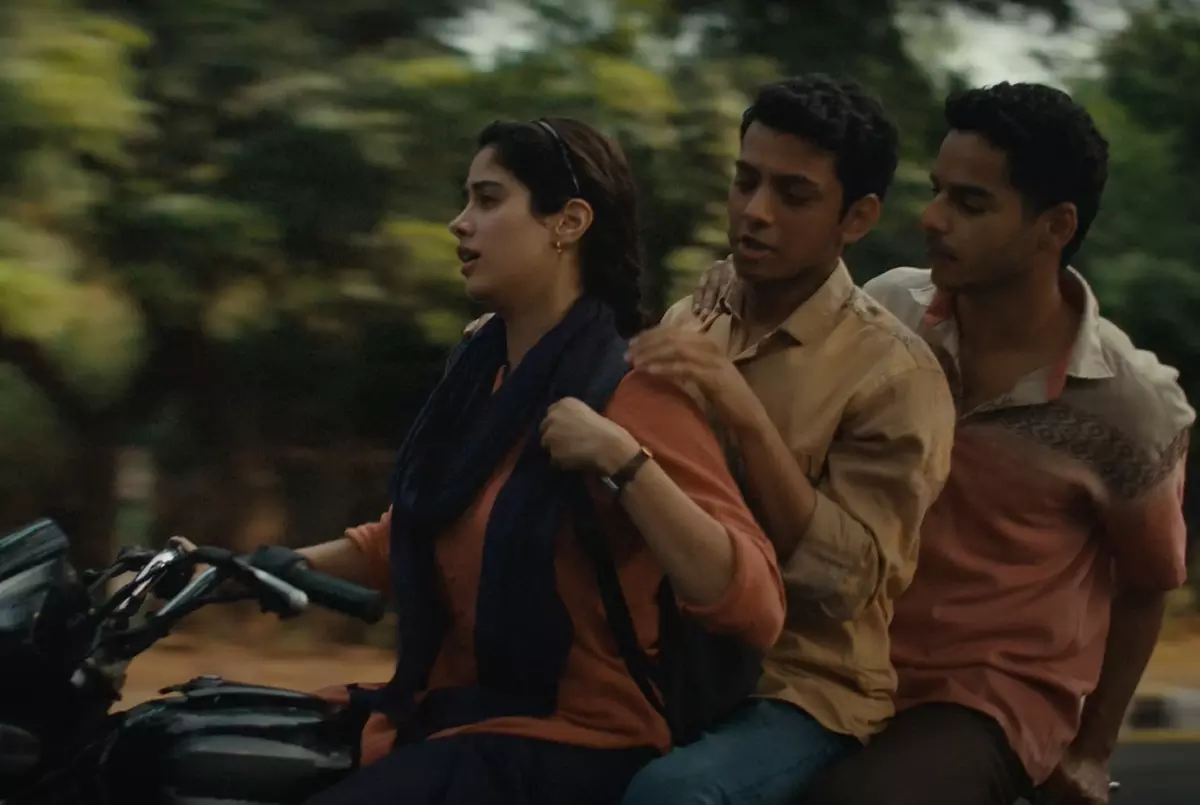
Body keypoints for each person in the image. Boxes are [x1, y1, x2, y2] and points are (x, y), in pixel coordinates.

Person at [252, 118, 785, 805]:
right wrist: (246, 570)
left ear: (568, 223)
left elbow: (754, 606)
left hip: (576, 742)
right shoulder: (482, 374)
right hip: (448, 713)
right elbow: (418, 536)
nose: (459, 222)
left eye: (488, 199)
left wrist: (625, 462)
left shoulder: (631, 388)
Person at [687, 82, 1192, 805]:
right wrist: (731, 282)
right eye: (937, 192)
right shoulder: (891, 307)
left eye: (970, 204)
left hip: (988, 698)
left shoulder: (1131, 402)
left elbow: (1148, 583)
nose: (931, 218)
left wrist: (1092, 750)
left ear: (1055, 226)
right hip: (838, 664)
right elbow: (788, 314)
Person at [612, 76, 956, 805]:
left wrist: (744, 414)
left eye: (793, 195)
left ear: (857, 217)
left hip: (800, 688)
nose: (755, 213)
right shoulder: (691, 318)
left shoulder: (894, 375)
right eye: (746, 182)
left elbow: (849, 584)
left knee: (670, 796)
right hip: (663, 657)